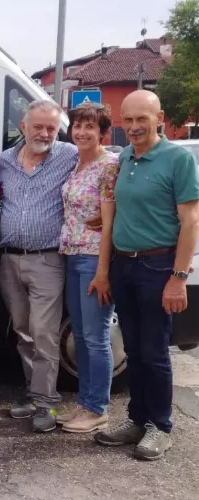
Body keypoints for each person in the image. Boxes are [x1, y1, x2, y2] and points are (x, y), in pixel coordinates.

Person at [94, 90, 199, 461]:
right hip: (124, 264)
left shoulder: (178, 159)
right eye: (129, 119)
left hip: (158, 266)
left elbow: (190, 221)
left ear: (160, 117)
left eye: (143, 119)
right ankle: (137, 419)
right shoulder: (125, 156)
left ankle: (161, 426)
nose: (135, 127)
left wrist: (178, 277)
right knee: (134, 350)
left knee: (154, 352)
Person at [0, 99, 78, 433]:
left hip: (47, 258)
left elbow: (103, 165)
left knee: (44, 332)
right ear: (23, 126)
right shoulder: (3, 162)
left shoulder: (69, 156)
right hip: (10, 259)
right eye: (38, 126)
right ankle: (33, 393)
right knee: (23, 331)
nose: (45, 133)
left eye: (51, 128)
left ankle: (47, 403)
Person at [56, 103, 119, 434]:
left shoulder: (109, 166)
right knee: (80, 336)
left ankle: (98, 409)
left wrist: (103, 272)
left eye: (89, 127)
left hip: (95, 259)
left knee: (96, 337)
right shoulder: (78, 164)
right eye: (77, 126)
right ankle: (85, 402)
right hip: (72, 256)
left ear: (102, 133)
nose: (81, 132)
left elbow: (108, 225)